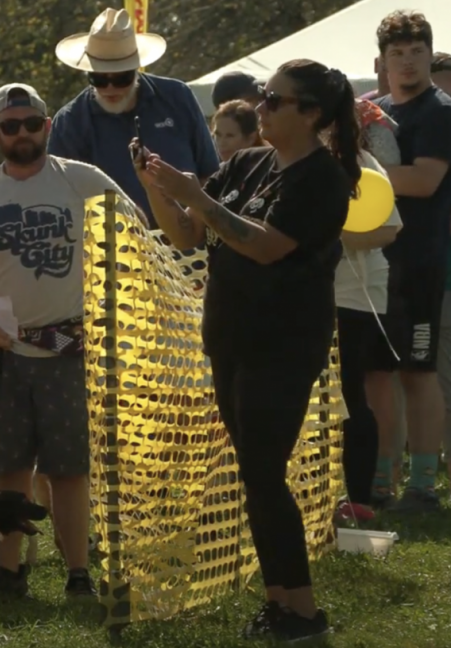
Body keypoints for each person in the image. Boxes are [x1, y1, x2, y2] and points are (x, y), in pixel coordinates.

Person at [137, 59, 358, 641]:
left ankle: (305, 611)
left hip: (282, 346)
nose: (261, 106)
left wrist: (195, 196)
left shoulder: (322, 179)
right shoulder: (248, 162)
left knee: (263, 473)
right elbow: (187, 233)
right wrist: (157, 186)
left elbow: (264, 247)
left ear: (311, 115)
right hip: (231, 340)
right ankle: (280, 603)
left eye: (275, 100)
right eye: (263, 95)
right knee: (256, 476)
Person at [0, 83, 135, 600]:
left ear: (47, 126)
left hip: (70, 348)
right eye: (10, 125)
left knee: (69, 468)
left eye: (31, 123)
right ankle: (8, 571)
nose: (22, 133)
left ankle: (78, 574)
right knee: (7, 467)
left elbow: (134, 239)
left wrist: (112, 304)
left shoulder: (82, 180)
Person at [372, 10, 451, 511]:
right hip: (375, 260)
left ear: (429, 53)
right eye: (397, 54)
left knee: (419, 373)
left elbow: (424, 182)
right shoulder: (372, 112)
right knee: (378, 374)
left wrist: (359, 171)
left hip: (421, 261)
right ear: (381, 61)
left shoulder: (440, 111)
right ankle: (380, 478)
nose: (407, 62)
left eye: (416, 52)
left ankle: (424, 484)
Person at [49, 7, 219, 225]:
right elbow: (61, 201)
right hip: (110, 252)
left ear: (136, 69)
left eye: (121, 78)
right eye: (99, 79)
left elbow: (210, 175)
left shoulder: (178, 97)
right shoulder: (69, 122)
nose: (110, 88)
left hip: (192, 246)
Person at [332, 115, 403, 523]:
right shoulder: (282, 162)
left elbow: (390, 228)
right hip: (302, 294)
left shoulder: (361, 165)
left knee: (348, 395)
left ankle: (359, 497)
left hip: (355, 295)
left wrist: (327, 236)